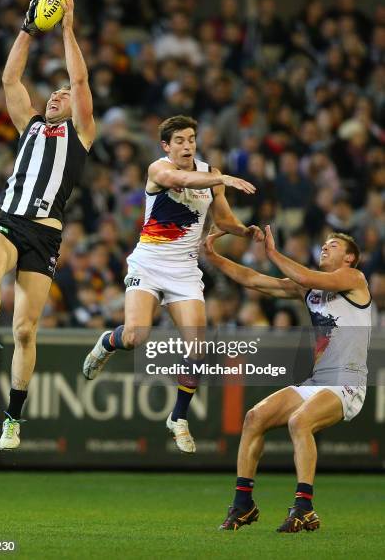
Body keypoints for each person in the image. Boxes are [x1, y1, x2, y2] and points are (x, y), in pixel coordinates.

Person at [83, 115, 264, 453]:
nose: (187, 145)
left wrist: (245, 230)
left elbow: (222, 218)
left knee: (198, 347)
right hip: (149, 263)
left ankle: (178, 418)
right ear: (166, 146)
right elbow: (178, 178)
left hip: (183, 269)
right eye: (179, 140)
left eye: (191, 139)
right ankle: (108, 342)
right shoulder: (159, 169)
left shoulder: (210, 175)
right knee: (136, 336)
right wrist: (219, 176)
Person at [0, 0, 95, 451]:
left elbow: (80, 78)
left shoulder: (81, 134)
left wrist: (66, 28)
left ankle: (13, 416)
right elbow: (10, 77)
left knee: (25, 329)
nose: (57, 95)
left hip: (44, 236)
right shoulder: (27, 124)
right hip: (10, 219)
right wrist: (28, 30)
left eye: (62, 94)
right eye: (53, 92)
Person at [204, 227, 371, 532]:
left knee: (299, 421)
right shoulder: (310, 290)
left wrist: (272, 253)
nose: (325, 247)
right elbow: (253, 280)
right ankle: (243, 504)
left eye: (332, 245)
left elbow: (306, 277)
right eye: (323, 244)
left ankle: (304, 507)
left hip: (347, 382)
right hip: (317, 381)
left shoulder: (354, 279)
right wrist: (214, 257)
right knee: (255, 416)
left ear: (349, 258)